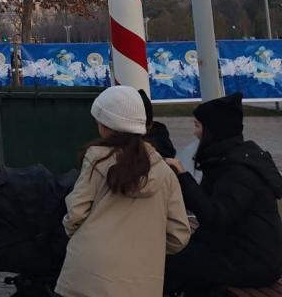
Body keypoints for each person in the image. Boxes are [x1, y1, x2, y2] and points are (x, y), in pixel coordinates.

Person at [55, 86, 190, 297]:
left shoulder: (97, 161)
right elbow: (179, 234)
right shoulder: (164, 171)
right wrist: (147, 248)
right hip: (141, 280)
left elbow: (75, 214)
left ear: (105, 125)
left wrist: (83, 239)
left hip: (89, 273)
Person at [164, 92, 282, 295]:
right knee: (179, 252)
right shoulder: (225, 159)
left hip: (255, 261)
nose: (194, 133)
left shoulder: (239, 170)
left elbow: (215, 216)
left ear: (213, 131)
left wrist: (183, 176)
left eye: (197, 126)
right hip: (238, 249)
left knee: (176, 260)